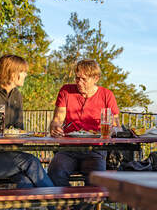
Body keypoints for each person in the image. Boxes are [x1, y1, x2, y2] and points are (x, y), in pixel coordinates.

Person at [0, 54, 54, 188]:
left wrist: (26, 133)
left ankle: (43, 207)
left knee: (26, 181)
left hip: (9, 156)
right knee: (32, 161)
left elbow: (19, 128)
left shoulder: (17, 95)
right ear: (12, 73)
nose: (25, 75)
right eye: (23, 72)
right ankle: (59, 204)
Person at [48, 59, 120, 187]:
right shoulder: (66, 91)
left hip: (95, 149)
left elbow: (116, 126)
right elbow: (57, 119)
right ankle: (69, 204)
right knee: (55, 171)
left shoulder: (106, 95)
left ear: (96, 78)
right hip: (68, 148)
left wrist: (111, 130)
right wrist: (55, 127)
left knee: (96, 181)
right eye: (77, 78)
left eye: (84, 79)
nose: (79, 83)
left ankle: (79, 207)